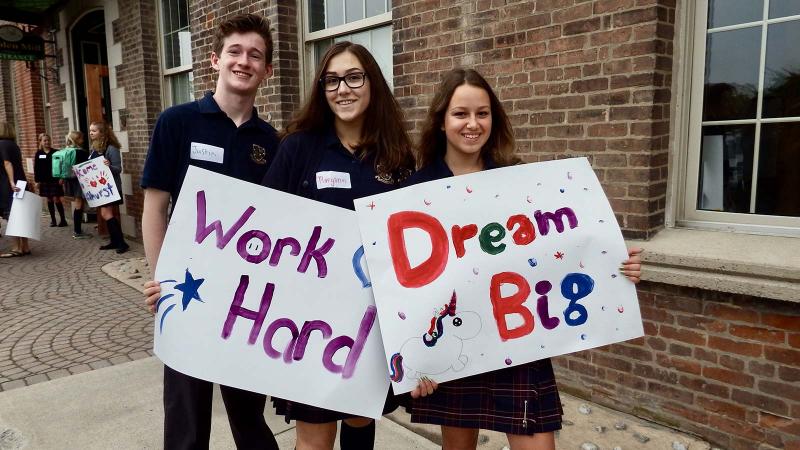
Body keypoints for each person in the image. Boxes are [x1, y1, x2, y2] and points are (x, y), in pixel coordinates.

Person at [406, 68, 643, 450]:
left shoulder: (521, 183)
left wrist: (614, 263)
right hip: (456, 343)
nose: (472, 124)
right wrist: (415, 360)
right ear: (441, 121)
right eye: (461, 113)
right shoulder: (413, 194)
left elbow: (562, 251)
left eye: (482, 113)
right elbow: (403, 288)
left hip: (516, 339)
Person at [260, 41, 415, 450]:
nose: (342, 89)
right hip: (309, 323)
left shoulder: (397, 156)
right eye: (331, 80)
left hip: (372, 321)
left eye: (353, 77)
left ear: (372, 84)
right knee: (314, 436)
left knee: (361, 419)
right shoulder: (298, 148)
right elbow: (264, 225)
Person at [140, 13, 280, 450]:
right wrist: (161, 277)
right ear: (214, 60)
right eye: (235, 52)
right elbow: (155, 207)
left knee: (248, 415)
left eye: (255, 55)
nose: (244, 61)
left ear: (267, 70)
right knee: (186, 420)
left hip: (244, 299)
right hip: (187, 292)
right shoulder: (177, 122)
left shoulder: (271, 141)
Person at [88, 121, 129, 253]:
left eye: (94, 131)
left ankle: (121, 243)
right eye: (90, 131)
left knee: (107, 213)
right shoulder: (95, 147)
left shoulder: (111, 148)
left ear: (102, 132)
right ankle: (115, 241)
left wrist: (108, 166)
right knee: (105, 213)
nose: (91, 133)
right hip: (101, 187)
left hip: (111, 187)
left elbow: (118, 169)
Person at [0, 121, 31, 257]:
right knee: (20, 215)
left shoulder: (1, 144)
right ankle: (25, 247)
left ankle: (16, 248)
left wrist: (11, 182)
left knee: (12, 216)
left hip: (9, 185)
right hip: (21, 182)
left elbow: (7, 163)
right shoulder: (14, 145)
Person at [33, 133, 68, 227]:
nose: (47, 142)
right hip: (44, 180)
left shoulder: (56, 152)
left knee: (56, 198)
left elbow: (62, 165)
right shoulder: (38, 154)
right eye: (44, 140)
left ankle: (63, 220)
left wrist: (62, 177)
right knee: (49, 199)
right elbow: (36, 168)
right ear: (40, 142)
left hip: (55, 179)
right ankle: (53, 220)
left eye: (48, 140)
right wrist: (37, 181)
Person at [62, 131, 91, 239]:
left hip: (70, 180)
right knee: (79, 204)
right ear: (77, 140)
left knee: (77, 203)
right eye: (81, 138)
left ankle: (77, 230)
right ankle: (77, 231)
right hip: (80, 180)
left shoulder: (66, 151)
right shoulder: (81, 152)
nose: (83, 141)